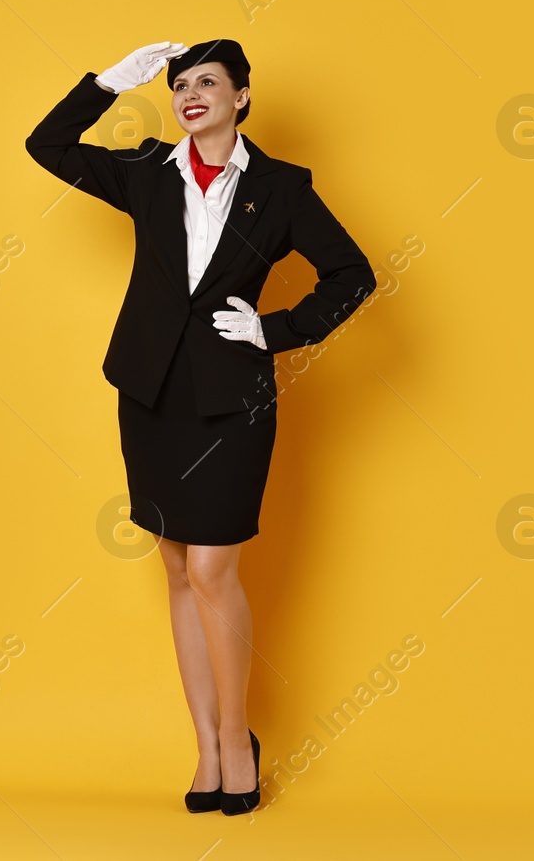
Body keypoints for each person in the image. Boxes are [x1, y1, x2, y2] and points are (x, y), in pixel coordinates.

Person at [25, 39, 376, 815]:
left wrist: (276, 330)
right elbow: (46, 145)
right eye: (180, 84)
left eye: (207, 82)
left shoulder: (283, 189)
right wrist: (112, 81)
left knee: (216, 569)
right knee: (179, 569)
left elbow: (354, 274)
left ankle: (239, 731)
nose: (189, 93)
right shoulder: (148, 171)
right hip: (149, 396)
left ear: (241, 97)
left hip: (231, 400)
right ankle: (209, 747)